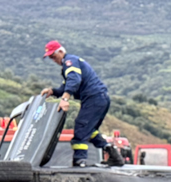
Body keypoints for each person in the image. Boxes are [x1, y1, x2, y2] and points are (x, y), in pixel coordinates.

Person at [39, 40, 123, 168]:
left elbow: (74, 81)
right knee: (89, 130)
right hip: (100, 98)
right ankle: (113, 155)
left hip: (94, 98)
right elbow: (65, 86)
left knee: (81, 127)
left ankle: (80, 160)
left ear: (60, 51)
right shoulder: (71, 64)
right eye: (50, 58)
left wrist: (64, 99)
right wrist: (52, 91)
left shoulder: (69, 62)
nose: (53, 60)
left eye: (53, 56)